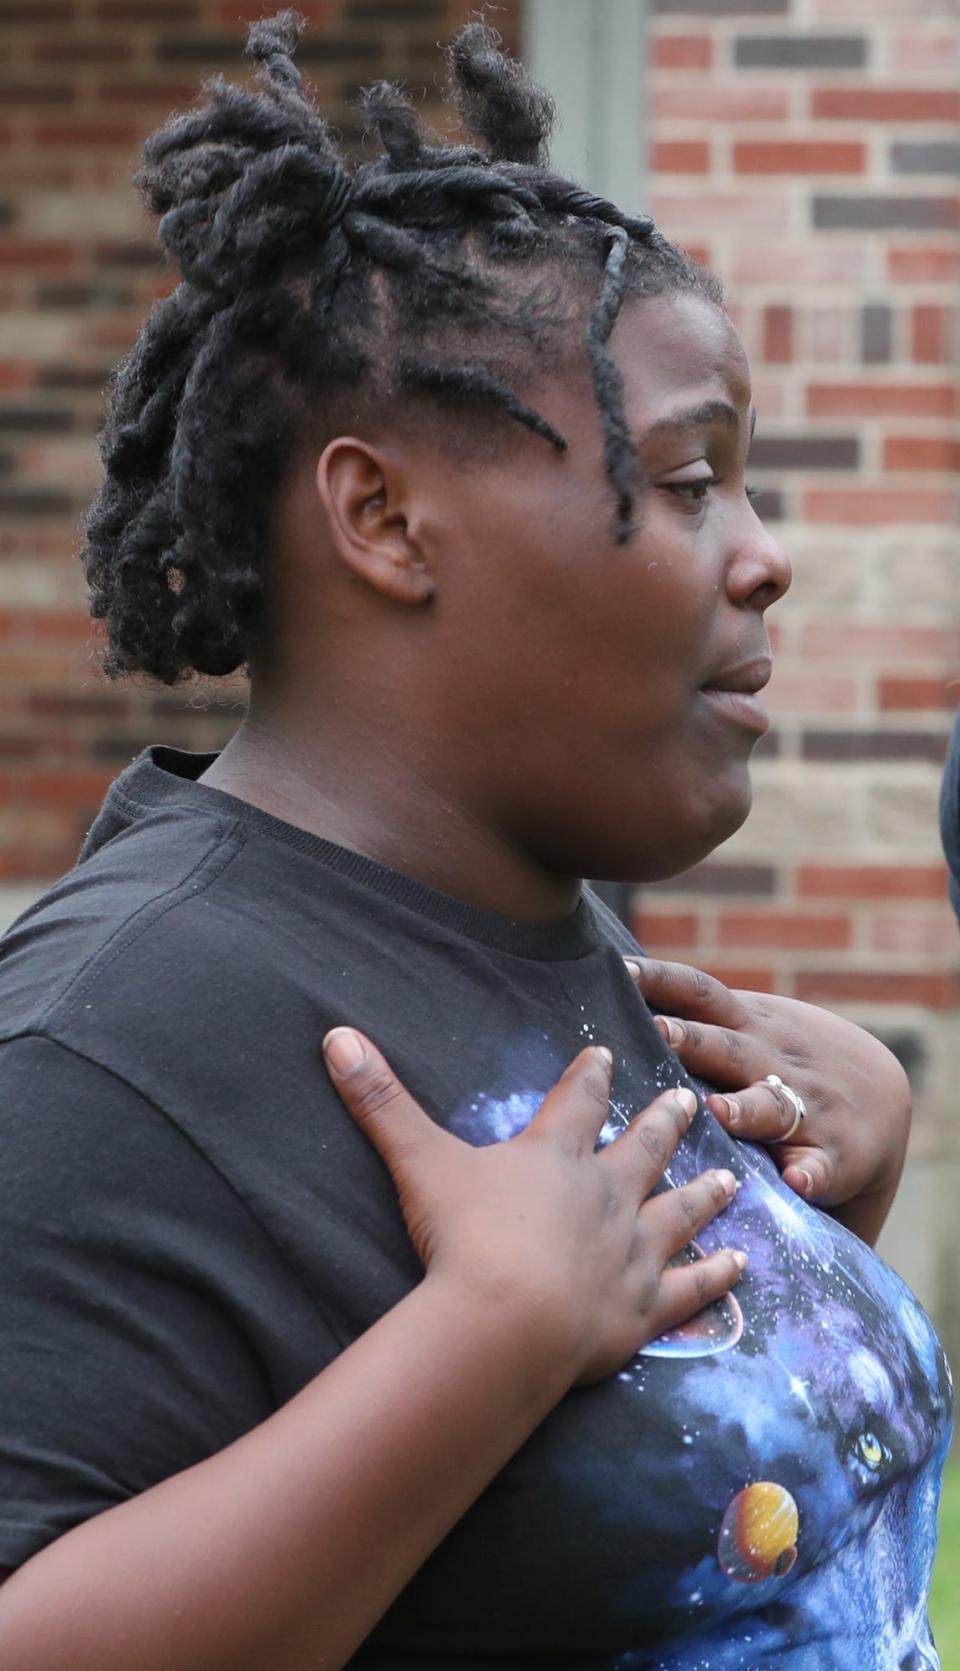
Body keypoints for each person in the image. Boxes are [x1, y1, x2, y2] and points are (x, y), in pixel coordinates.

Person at [0, 14, 951, 1669]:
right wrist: (486, 1340)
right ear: (383, 520)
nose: (764, 555)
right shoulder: (110, 1033)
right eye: (687, 477)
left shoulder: (549, 937)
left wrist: (806, 1229)